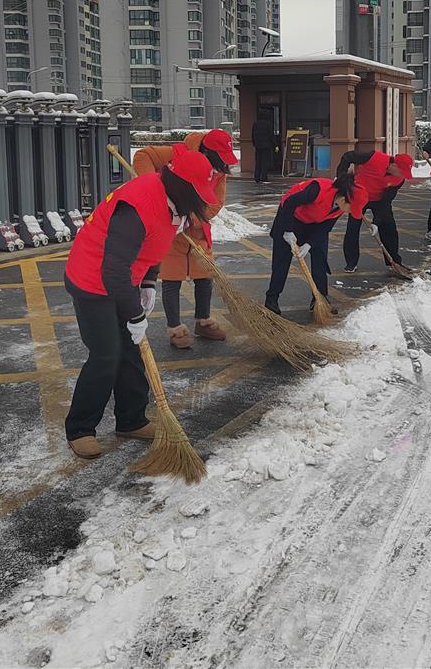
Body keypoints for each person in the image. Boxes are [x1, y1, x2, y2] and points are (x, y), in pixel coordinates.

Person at [63, 145, 220, 459]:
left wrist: (148, 283)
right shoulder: (138, 205)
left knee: (131, 351)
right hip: (92, 280)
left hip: (122, 280)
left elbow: (153, 246)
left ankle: (131, 420)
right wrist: (134, 314)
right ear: (183, 186)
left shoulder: (174, 205)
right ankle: (80, 428)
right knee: (107, 353)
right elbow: (113, 268)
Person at [132, 129, 238, 349]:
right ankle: (175, 328)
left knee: (204, 276)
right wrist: (154, 192)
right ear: (207, 151)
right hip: (169, 228)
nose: (221, 166)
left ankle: (204, 321)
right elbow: (143, 156)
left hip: (196, 229)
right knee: (172, 279)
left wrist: (191, 219)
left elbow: (216, 202)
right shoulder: (176, 153)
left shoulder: (219, 172)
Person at [264, 173, 363, 316]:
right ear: (343, 199)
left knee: (320, 257)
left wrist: (309, 244)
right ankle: (272, 299)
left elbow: (325, 227)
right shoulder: (318, 189)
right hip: (290, 217)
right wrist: (288, 230)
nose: (351, 212)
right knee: (282, 260)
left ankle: (320, 298)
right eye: (352, 208)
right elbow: (290, 202)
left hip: (315, 224)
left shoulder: (341, 206)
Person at [336, 149, 414, 273]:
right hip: (359, 196)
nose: (402, 175)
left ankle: (393, 261)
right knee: (353, 227)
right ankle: (351, 262)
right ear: (393, 165)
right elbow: (347, 156)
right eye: (401, 171)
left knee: (389, 228)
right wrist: (342, 180)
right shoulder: (373, 157)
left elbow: (386, 200)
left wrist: (376, 222)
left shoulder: (399, 180)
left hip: (380, 200)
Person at [251, 110, 276, 183]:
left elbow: (252, 135)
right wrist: (275, 144)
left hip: (258, 146)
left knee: (258, 162)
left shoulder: (255, 124)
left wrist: (254, 144)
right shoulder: (268, 124)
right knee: (265, 162)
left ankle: (257, 177)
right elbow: (271, 135)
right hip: (266, 146)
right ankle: (263, 177)